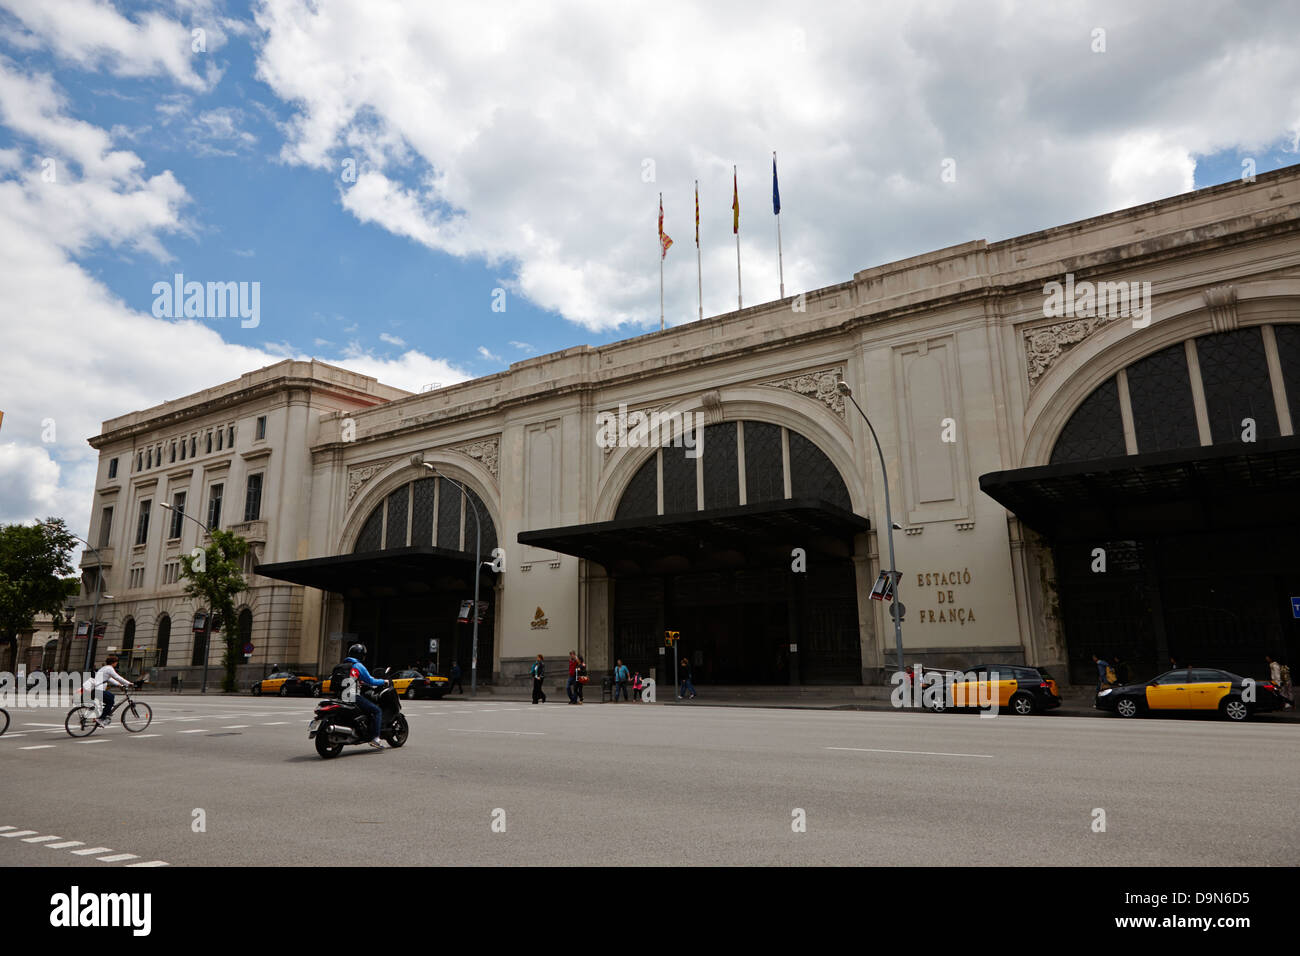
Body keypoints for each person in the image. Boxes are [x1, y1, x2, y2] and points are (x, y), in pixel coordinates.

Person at [343, 643, 389, 749]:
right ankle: (376, 739)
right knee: (377, 710)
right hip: (352, 696)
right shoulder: (358, 666)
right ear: (360, 655)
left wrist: (359, 682)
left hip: (340, 697)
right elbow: (371, 680)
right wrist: (384, 681)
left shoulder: (342, 666)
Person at [83, 655, 134, 728]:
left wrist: (119, 685)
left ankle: (103, 714)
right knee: (110, 701)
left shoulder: (104, 668)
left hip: (94, 689)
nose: (117, 664)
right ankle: (101, 719)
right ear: (114, 662)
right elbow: (117, 677)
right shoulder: (109, 668)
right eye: (116, 662)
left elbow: (110, 679)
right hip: (97, 690)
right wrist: (128, 683)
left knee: (111, 696)